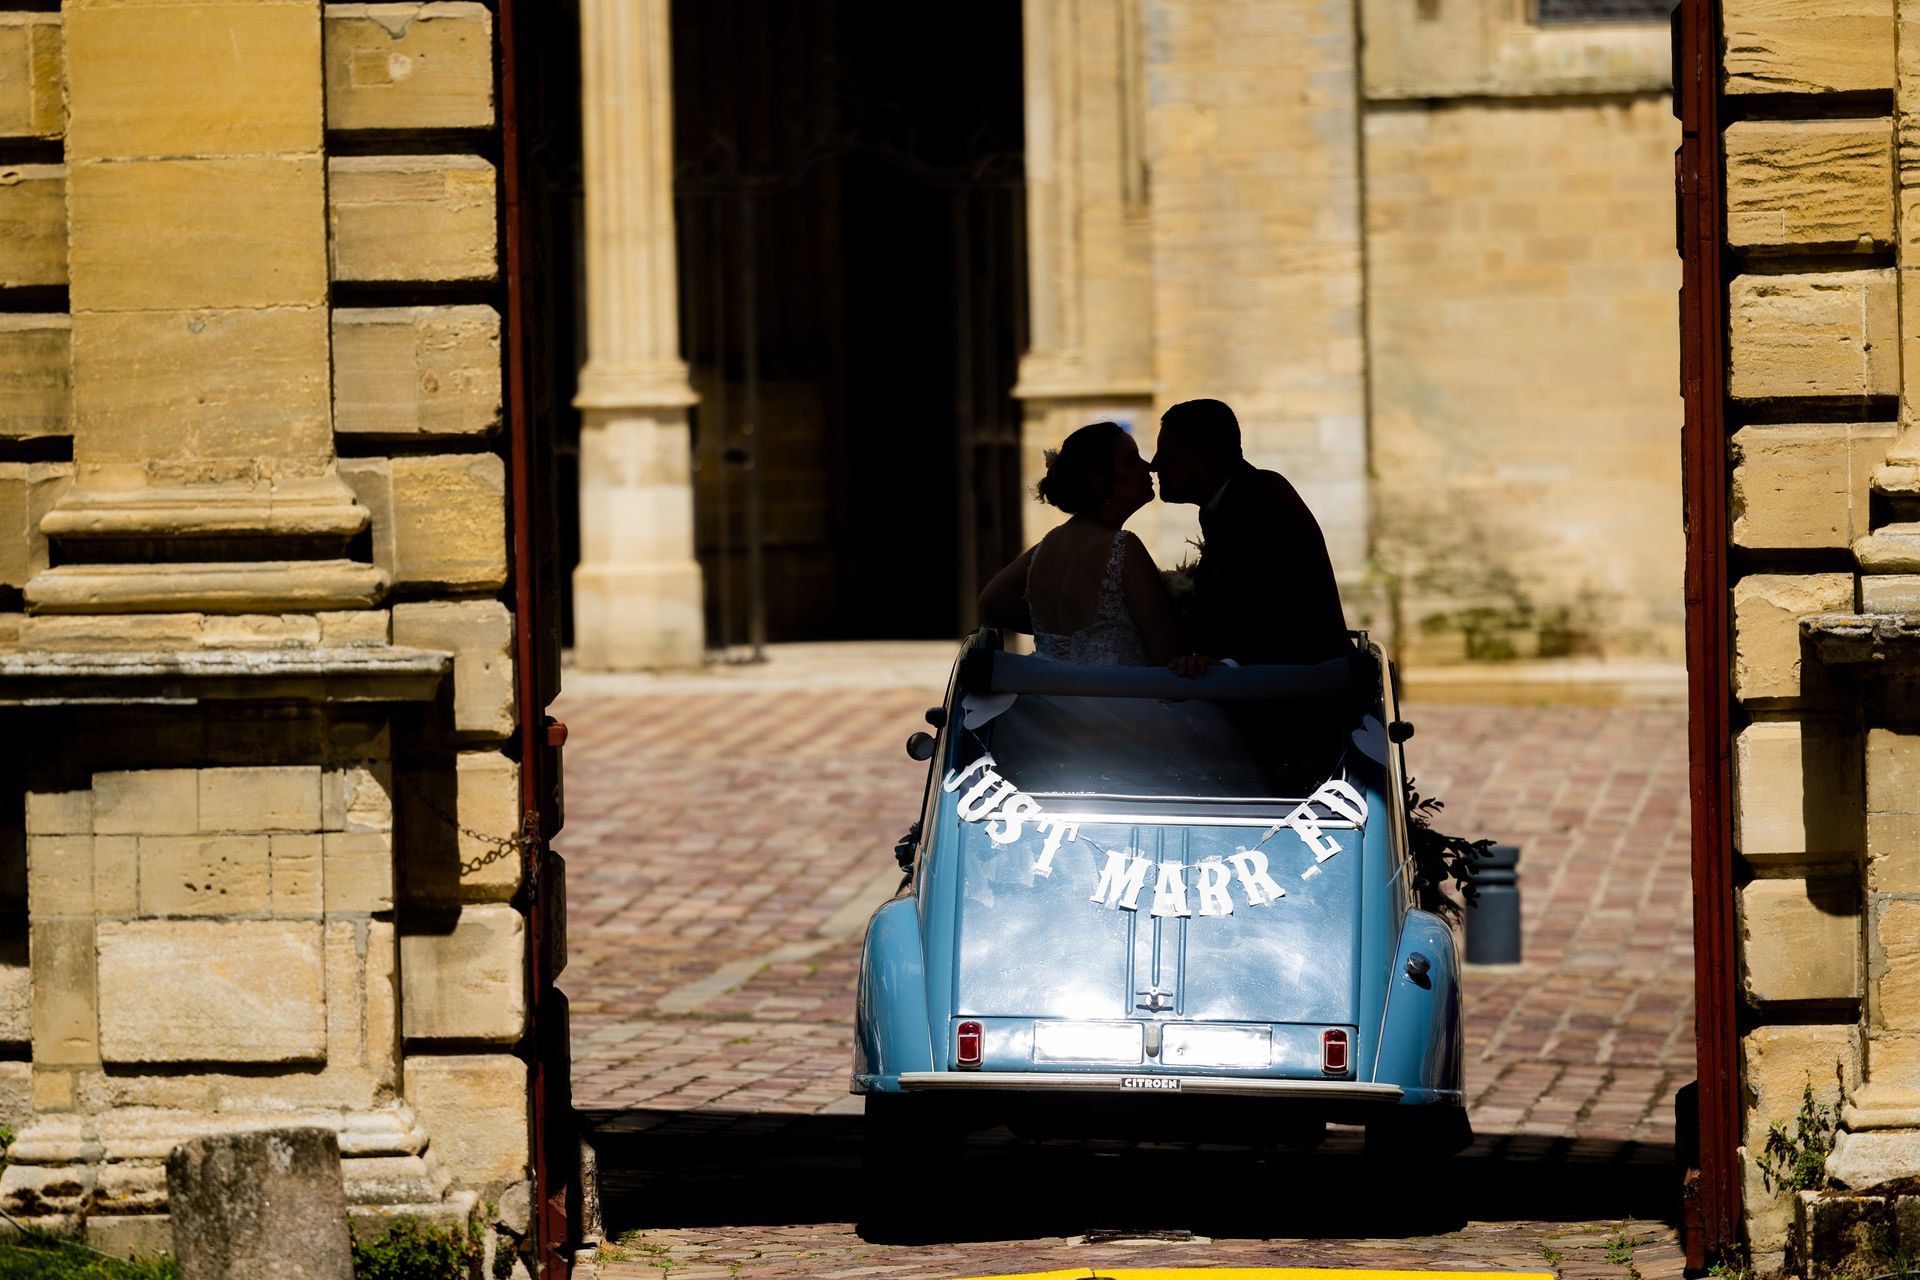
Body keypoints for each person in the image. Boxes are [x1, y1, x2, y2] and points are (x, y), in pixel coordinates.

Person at [1149, 398, 1349, 666]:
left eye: (1167, 454)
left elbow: (1272, 605)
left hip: (1299, 683)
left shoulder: (1262, 499)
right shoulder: (1230, 500)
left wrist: (1223, 665)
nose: (1154, 464)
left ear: (1204, 456)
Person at [978, 421, 1185, 666]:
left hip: (1050, 691)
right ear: (1099, 482)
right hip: (1118, 692)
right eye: (1132, 461)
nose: (1148, 467)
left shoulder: (1048, 545)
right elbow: (1170, 656)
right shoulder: (1123, 547)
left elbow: (991, 603)